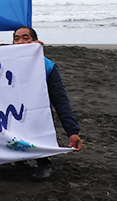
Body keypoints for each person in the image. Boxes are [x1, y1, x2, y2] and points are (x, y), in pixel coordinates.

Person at [12, 26, 83, 179]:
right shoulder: (6, 63)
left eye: (26, 38)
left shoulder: (47, 66)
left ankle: (44, 161)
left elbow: (61, 100)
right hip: (13, 112)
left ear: (35, 41)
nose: (20, 42)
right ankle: (18, 158)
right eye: (16, 38)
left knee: (37, 130)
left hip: (38, 113)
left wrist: (72, 132)